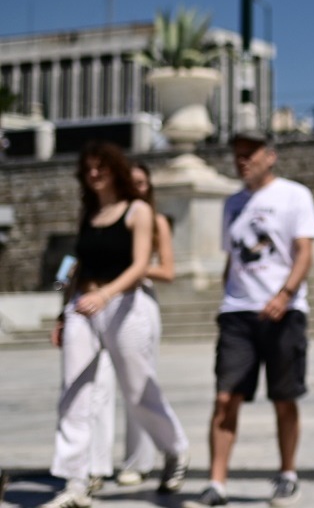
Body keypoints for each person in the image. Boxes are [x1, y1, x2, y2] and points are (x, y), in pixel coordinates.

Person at [44, 141, 189, 508]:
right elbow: (75, 270)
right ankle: (75, 481)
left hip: (123, 303)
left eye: (102, 167)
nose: (95, 173)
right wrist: (64, 313)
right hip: (83, 307)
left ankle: (174, 449)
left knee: (138, 387)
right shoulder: (89, 214)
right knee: (74, 392)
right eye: (89, 167)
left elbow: (141, 265)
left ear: (115, 169)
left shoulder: (138, 211)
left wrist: (106, 295)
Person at [186, 131, 314, 508]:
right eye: (237, 155)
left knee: (284, 397)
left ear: (270, 156)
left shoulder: (295, 195)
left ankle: (288, 474)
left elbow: (304, 252)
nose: (242, 161)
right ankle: (217, 481)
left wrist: (284, 295)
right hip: (237, 313)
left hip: (284, 311)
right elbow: (233, 256)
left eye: (249, 154)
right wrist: (226, 295)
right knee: (225, 396)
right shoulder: (232, 203)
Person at [90, 162, 176, 488]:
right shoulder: (103, 216)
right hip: (100, 301)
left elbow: (167, 270)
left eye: (142, 183)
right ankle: (93, 465)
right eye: (131, 182)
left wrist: (132, 266)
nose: (136, 188)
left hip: (136, 301)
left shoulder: (155, 221)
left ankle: (138, 461)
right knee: (97, 386)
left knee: (137, 383)